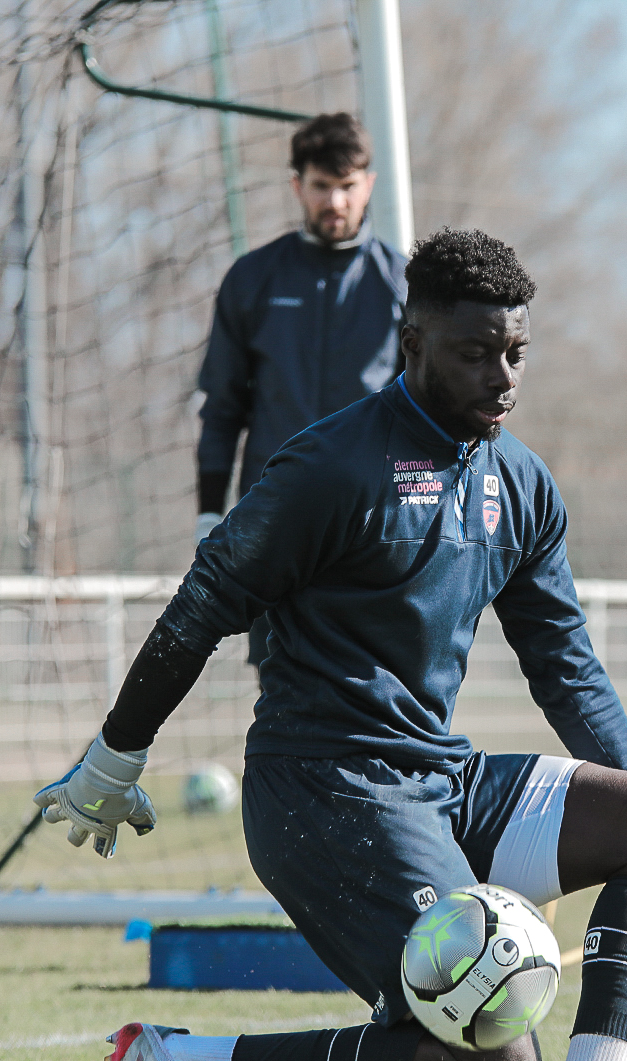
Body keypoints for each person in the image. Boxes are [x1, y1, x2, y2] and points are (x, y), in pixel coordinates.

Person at [36, 229, 627, 1061]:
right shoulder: (331, 467)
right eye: (474, 353)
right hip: (323, 795)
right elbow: (201, 603)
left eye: (516, 353)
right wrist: (114, 756)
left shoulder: (521, 483)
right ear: (411, 342)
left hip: (438, 778)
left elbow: (565, 663)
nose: (503, 377)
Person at [194, 111, 408, 670]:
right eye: (321, 186)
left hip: (374, 525)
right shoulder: (253, 278)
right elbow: (221, 407)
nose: (334, 202)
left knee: (373, 686)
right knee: (282, 685)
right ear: (297, 186)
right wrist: (209, 512)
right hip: (273, 520)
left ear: (369, 186)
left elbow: (428, 415)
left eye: (347, 186)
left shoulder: (402, 286)